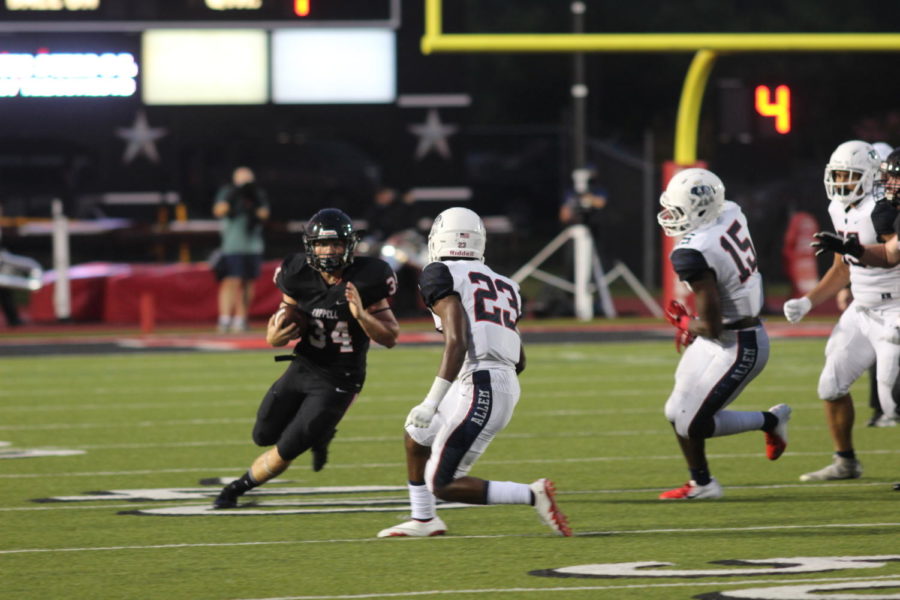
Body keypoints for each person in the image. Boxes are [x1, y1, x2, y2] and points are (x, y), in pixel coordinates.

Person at [376, 207, 571, 537]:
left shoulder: (440, 272)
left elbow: (458, 341)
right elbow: (519, 358)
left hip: (480, 381)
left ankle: (532, 494)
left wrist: (432, 400)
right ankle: (425, 520)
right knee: (416, 435)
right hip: (489, 378)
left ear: (439, 239)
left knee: (443, 483)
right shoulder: (507, 284)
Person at [213, 208, 400, 509]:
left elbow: (390, 338)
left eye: (336, 243)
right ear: (310, 247)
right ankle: (322, 432)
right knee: (263, 434)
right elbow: (281, 324)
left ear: (349, 245)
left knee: (288, 447)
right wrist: (275, 337)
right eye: (322, 244)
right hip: (304, 366)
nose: (329, 251)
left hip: (340, 380)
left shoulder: (367, 279)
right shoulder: (298, 272)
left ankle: (237, 488)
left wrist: (362, 316)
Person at [657, 168, 790, 500]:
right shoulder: (728, 209)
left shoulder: (692, 252)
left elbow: (712, 326)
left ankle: (770, 421)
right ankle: (701, 484)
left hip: (739, 343)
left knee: (692, 423)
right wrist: (696, 326)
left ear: (700, 209)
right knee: (675, 411)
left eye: (678, 210)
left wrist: (686, 323)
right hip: (722, 334)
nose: (671, 216)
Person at [784, 140, 900, 481]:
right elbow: (842, 267)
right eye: (836, 176)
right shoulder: (839, 207)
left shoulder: (886, 208)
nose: (841, 183)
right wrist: (809, 300)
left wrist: (857, 249)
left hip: (895, 307)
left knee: (891, 399)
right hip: (862, 310)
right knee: (830, 386)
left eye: (849, 176)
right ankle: (846, 461)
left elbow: (890, 255)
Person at [810, 146, 900, 430]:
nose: (888, 185)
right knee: (893, 400)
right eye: (887, 177)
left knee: (893, 398)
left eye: (895, 178)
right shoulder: (885, 211)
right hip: (870, 307)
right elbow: (889, 255)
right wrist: (851, 250)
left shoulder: (884, 215)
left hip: (894, 308)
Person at [213, 166, 270, 333]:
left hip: (252, 245)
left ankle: (241, 318)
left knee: (248, 283)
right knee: (231, 280)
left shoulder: (257, 194)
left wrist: (252, 206)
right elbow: (219, 210)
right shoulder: (228, 192)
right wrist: (234, 200)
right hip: (233, 245)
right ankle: (224, 319)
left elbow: (264, 213)